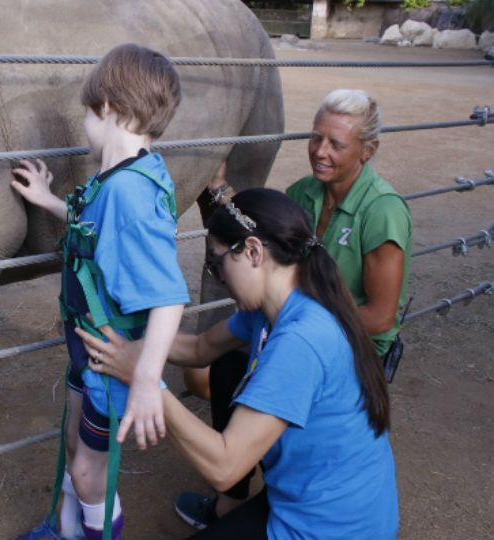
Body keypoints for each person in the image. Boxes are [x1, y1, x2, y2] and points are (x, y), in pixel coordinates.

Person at [78, 188, 400, 539]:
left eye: (217, 264)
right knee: (230, 363)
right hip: (305, 501)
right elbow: (202, 348)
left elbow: (224, 466)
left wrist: (144, 379)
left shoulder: (301, 342)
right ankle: (229, 508)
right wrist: (137, 346)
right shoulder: (280, 306)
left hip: (332, 529)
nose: (219, 278)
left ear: (252, 251)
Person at [174, 89, 412, 529]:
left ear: (368, 150)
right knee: (226, 365)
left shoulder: (382, 212)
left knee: (257, 385)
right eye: (315, 138)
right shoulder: (303, 194)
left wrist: (146, 382)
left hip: (349, 345)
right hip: (299, 320)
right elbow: (261, 230)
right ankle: (235, 497)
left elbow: (381, 315)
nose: (320, 151)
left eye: (336, 144)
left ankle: (247, 466)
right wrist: (221, 191)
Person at [11, 43, 190, 539]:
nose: (86, 125)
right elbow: (97, 229)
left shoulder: (128, 193)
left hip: (111, 364)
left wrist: (148, 378)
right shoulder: (121, 178)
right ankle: (65, 529)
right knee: (75, 444)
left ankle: (96, 531)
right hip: (88, 353)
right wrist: (49, 201)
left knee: (91, 475)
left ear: (108, 106)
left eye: (88, 114)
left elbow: (169, 294)